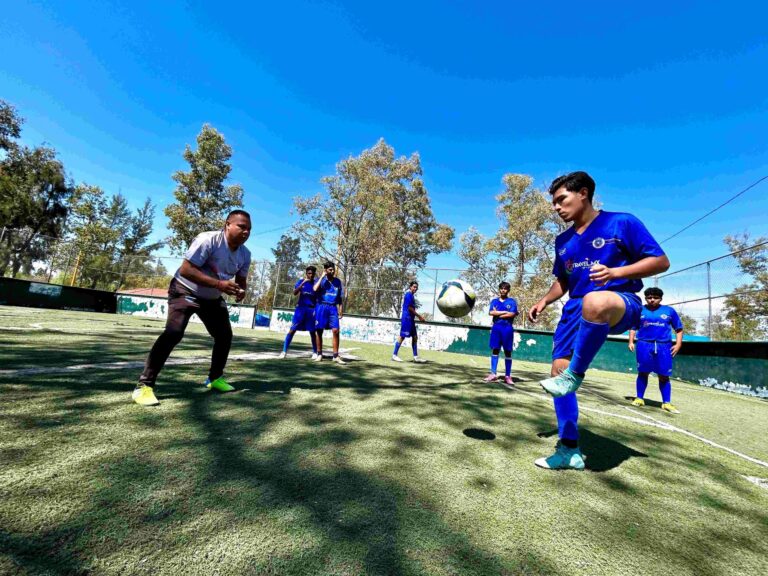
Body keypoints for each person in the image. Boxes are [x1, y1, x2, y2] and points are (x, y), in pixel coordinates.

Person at [528, 172, 670, 470]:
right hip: (574, 311)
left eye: (561, 200)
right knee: (558, 372)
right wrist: (544, 301)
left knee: (595, 301)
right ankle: (569, 449)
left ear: (583, 193)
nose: (556, 207)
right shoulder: (563, 241)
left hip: (619, 301)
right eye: (554, 202)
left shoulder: (621, 223)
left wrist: (615, 273)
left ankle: (576, 373)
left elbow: (660, 261)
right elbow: (563, 281)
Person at [132, 210, 252, 406]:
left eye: (249, 229)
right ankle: (144, 386)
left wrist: (241, 291)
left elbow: (241, 279)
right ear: (227, 225)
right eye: (242, 226)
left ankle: (214, 378)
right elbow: (186, 270)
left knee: (224, 336)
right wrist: (219, 284)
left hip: (212, 298)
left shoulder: (245, 254)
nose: (246, 232)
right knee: (173, 333)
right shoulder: (208, 240)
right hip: (185, 290)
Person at [628, 287, 684, 413]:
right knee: (643, 372)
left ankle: (666, 403)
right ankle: (639, 398)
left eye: (655, 297)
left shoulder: (669, 311)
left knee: (664, 375)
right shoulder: (640, 310)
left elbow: (679, 329)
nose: (652, 300)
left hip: (664, 346)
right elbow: (633, 327)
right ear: (646, 298)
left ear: (661, 299)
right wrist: (631, 341)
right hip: (644, 344)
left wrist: (678, 344)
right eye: (649, 297)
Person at [279, 265, 319, 360]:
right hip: (300, 309)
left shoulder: (316, 284)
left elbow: (318, 299)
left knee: (312, 332)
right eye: (309, 273)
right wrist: (303, 284)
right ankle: (284, 351)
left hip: (311, 310)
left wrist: (316, 310)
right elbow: (295, 293)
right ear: (306, 274)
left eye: (312, 274)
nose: (311, 275)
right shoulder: (301, 281)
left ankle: (315, 352)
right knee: (292, 330)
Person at [484, 281, 518, 387]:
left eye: (505, 288)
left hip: (507, 329)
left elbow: (512, 314)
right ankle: (493, 374)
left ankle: (507, 376)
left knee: (508, 352)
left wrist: (498, 313)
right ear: (499, 289)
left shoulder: (512, 301)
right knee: (495, 350)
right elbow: (491, 312)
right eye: (501, 288)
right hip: (496, 328)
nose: (503, 290)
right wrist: (505, 312)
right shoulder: (494, 301)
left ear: (508, 290)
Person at [313, 261, 346, 364]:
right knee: (319, 331)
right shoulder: (320, 280)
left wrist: (341, 309)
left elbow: (340, 297)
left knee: (336, 330)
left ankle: (335, 356)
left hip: (332, 308)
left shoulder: (338, 282)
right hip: (321, 306)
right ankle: (319, 354)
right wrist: (322, 276)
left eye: (333, 269)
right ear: (326, 270)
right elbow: (314, 289)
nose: (332, 271)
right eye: (330, 270)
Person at [392, 281, 427, 363]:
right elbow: (409, 308)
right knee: (402, 336)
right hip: (406, 319)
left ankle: (416, 357)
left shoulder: (412, 296)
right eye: (414, 287)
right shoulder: (408, 295)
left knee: (415, 337)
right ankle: (394, 355)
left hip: (411, 319)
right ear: (410, 287)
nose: (415, 288)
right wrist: (419, 316)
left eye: (416, 287)